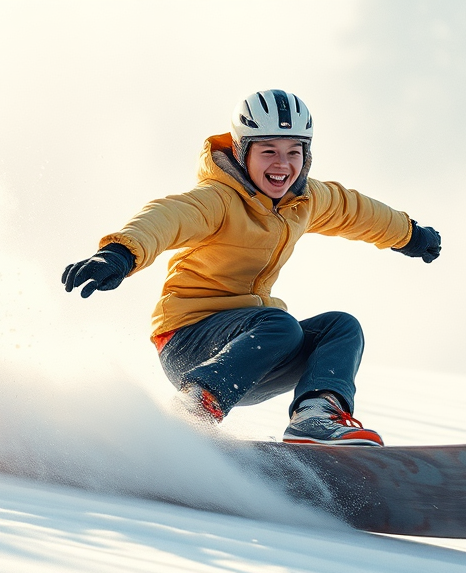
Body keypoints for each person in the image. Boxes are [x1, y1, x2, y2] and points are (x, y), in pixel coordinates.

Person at [62, 89, 441, 446]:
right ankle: (194, 407)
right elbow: (167, 217)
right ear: (243, 151)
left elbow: (354, 210)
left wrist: (409, 235)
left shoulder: (304, 200)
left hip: (253, 349)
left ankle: (315, 415)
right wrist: (121, 253)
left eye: (295, 152)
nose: (282, 164)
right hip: (189, 339)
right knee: (280, 325)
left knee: (340, 327)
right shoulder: (218, 199)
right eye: (269, 151)